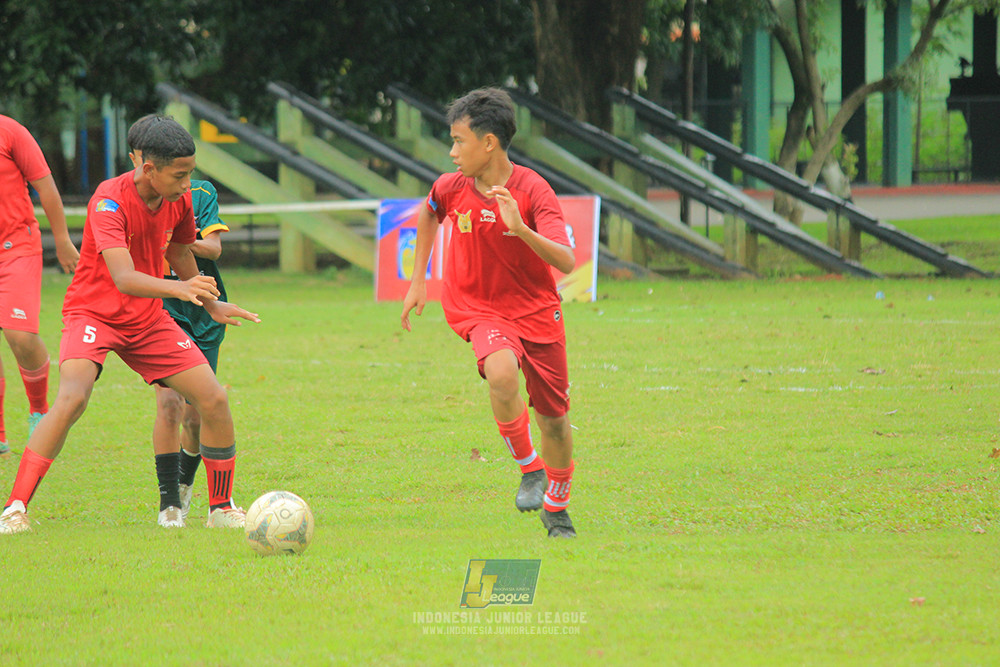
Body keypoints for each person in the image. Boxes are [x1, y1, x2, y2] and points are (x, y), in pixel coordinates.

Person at [0, 117, 259, 535]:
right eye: (180, 174)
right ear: (148, 168)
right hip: (93, 314)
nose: (186, 182)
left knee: (213, 399)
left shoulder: (178, 197)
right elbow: (124, 277)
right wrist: (180, 291)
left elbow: (177, 250)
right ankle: (14, 509)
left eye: (190, 172)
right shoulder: (109, 202)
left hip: (146, 318)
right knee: (72, 399)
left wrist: (212, 305)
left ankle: (221, 507)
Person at [400, 88, 578, 538]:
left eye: (459, 141)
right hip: (479, 310)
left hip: (536, 312)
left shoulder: (533, 190)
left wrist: (521, 229)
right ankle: (529, 468)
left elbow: (567, 260)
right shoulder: (449, 186)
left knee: (555, 421)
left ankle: (556, 506)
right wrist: (418, 280)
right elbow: (429, 213)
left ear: (489, 143)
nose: (452, 151)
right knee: (500, 374)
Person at [127, 115, 232, 528]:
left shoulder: (198, 192)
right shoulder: (126, 199)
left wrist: (176, 241)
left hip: (200, 308)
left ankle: (187, 490)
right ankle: (169, 504)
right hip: (161, 308)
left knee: (195, 415)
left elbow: (214, 249)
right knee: (169, 404)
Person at [0, 115, 80, 459]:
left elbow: (45, 186)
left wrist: (61, 240)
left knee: (20, 334)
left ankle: (39, 410)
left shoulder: (10, 131)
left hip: (16, 248)